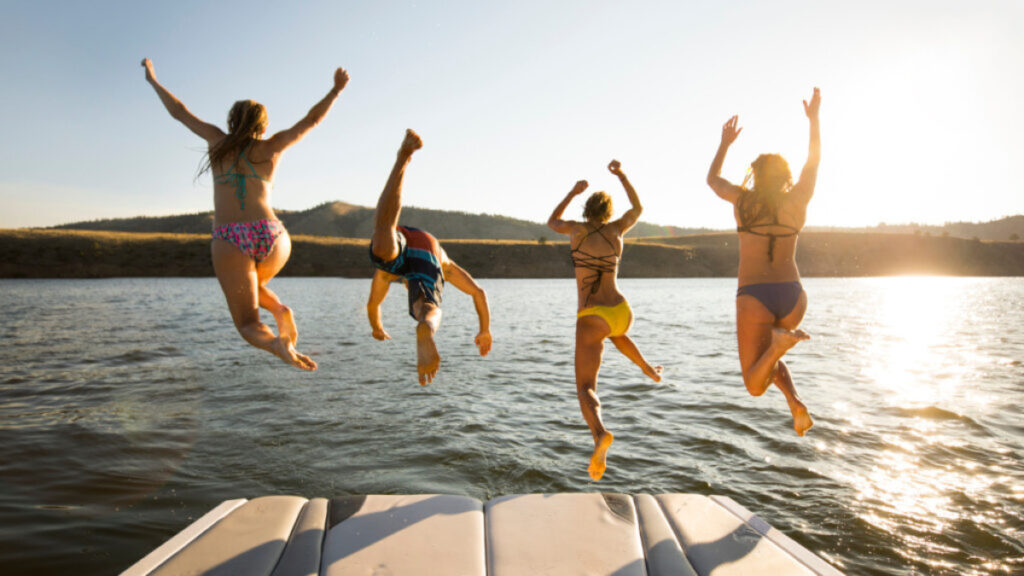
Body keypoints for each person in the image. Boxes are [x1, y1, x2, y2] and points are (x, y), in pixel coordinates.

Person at [142, 58, 349, 371]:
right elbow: (311, 121)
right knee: (252, 286)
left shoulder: (216, 142)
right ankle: (279, 310)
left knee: (247, 323)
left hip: (230, 237)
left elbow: (179, 111)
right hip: (274, 235)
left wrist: (153, 80)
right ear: (263, 127)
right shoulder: (273, 146)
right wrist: (335, 91)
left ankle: (275, 343)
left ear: (229, 123)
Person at [705, 87, 821, 436]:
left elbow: (712, 180)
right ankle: (794, 399)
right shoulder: (798, 199)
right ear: (785, 177)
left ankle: (778, 345)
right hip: (793, 297)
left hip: (755, 295)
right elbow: (813, 162)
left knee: (755, 383)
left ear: (756, 175)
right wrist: (814, 120)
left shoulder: (744, 201)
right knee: (771, 351)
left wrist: (725, 143)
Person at [547, 160, 663, 481]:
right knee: (614, 334)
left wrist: (572, 191)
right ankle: (647, 368)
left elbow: (551, 220)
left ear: (586, 210)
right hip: (622, 310)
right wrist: (623, 175)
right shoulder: (616, 230)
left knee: (585, 386)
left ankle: (599, 433)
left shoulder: (576, 230)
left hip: (592, 313)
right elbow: (638, 207)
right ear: (609, 212)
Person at [367, 129, 492, 385]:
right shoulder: (446, 266)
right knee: (429, 307)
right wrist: (484, 329)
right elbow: (478, 292)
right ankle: (427, 325)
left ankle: (402, 159)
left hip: (402, 241)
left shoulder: (387, 273)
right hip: (432, 250)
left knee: (383, 235)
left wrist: (377, 328)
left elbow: (373, 306)